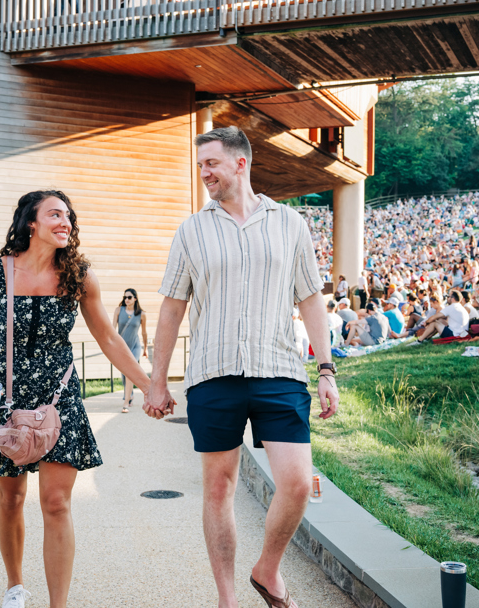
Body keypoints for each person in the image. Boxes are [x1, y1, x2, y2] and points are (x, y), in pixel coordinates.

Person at [144, 126, 339, 608]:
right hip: (214, 373)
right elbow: (172, 307)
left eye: (211, 163)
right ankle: (227, 599)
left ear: (240, 162)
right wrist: (157, 380)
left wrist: (327, 369)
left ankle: (267, 570)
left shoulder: (290, 223)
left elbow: (311, 299)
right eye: (200, 166)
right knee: (218, 488)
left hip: (280, 370)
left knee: (297, 483)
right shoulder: (191, 231)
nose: (204, 173)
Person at [0, 190, 152, 608]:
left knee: (56, 503)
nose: (66, 222)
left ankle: (57, 605)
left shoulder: (78, 276)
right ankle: (15, 587)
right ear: (31, 223)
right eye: (55, 214)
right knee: (11, 499)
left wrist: (149, 386)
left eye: (69, 217)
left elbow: (109, 339)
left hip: (60, 398)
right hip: (7, 400)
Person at [112, 288, 148, 412]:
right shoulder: (118, 310)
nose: (126, 299)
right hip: (121, 347)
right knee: (124, 373)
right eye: (125, 297)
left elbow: (144, 333)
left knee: (129, 373)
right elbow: (112, 329)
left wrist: (145, 348)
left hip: (135, 346)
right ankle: (130, 394)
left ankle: (126, 402)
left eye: (129, 297)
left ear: (135, 299)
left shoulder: (141, 314)